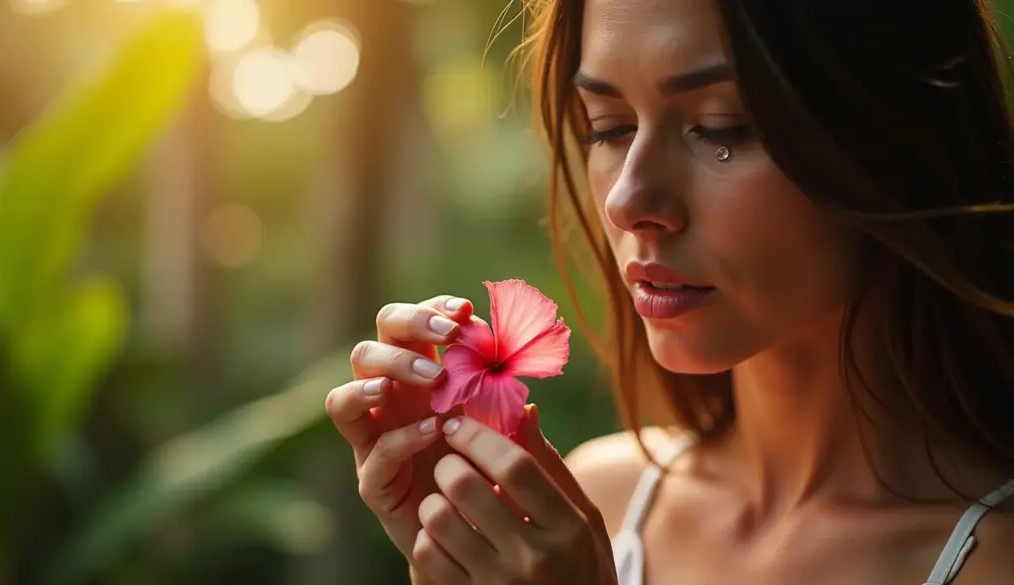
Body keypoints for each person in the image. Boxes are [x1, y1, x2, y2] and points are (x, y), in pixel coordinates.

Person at [326, 0, 1014, 583]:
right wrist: (449, 528)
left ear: (893, 134)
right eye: (609, 126)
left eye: (720, 129)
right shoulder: (587, 506)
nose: (628, 198)